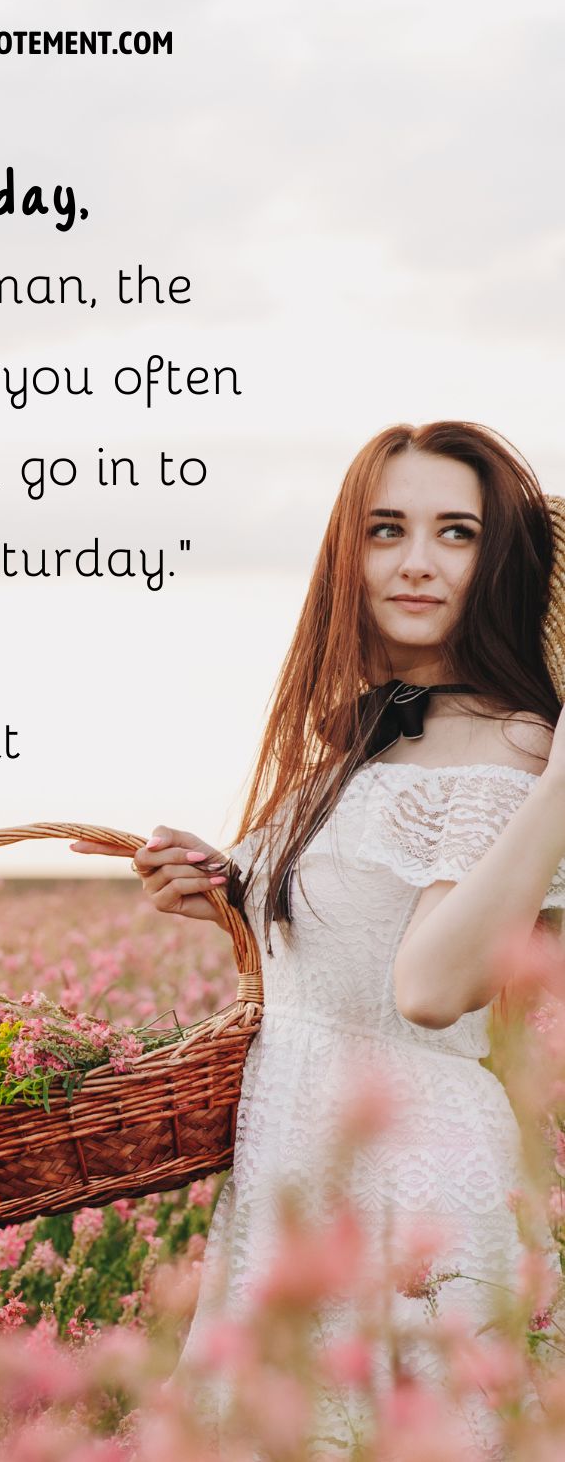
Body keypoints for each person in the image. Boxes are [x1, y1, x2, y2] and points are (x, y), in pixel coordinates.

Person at [70, 421, 565, 1457]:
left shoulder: (512, 746)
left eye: (456, 533)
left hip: (407, 1173)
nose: (416, 561)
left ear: (498, 560)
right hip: (300, 1153)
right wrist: (226, 888)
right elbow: (344, 955)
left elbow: (432, 988)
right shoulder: (366, 734)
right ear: (349, 550)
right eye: (386, 530)